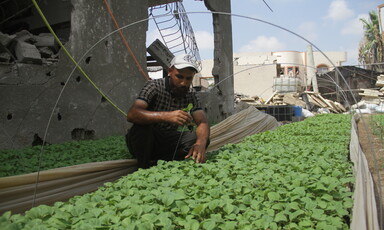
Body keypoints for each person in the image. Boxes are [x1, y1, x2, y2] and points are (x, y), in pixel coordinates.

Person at [126, 54, 210, 169]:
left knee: (200, 138)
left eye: (188, 78)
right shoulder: (154, 86)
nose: (184, 83)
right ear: (170, 71)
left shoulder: (191, 95)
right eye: (179, 77)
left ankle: (163, 163)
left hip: (166, 140)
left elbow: (202, 122)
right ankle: (143, 168)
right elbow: (132, 114)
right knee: (142, 128)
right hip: (145, 139)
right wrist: (166, 116)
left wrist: (200, 144)